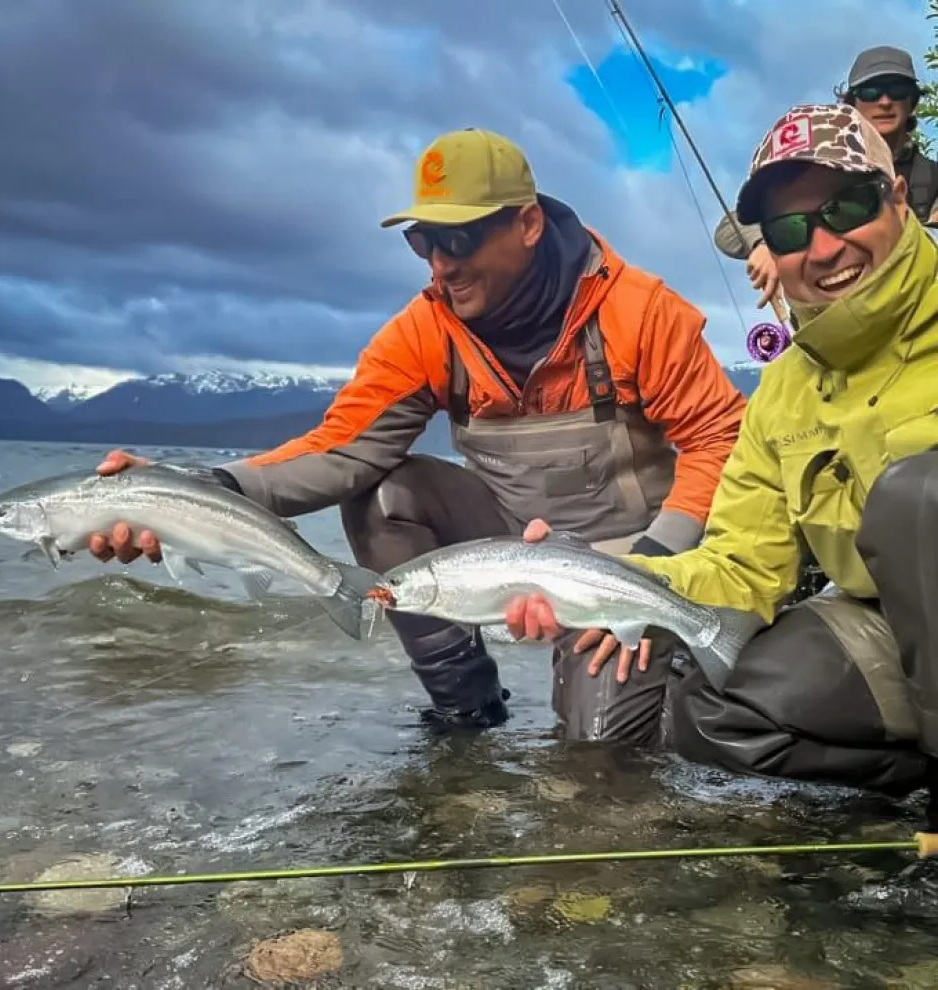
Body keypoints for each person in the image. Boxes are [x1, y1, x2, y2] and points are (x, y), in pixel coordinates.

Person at [84, 127, 746, 736]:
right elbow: (342, 446)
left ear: (527, 223)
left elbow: (719, 440)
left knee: (600, 752)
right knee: (382, 489)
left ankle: (677, 663)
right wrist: (196, 489)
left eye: (456, 240)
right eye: (421, 241)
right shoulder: (426, 330)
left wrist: (654, 569)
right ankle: (467, 709)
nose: (439, 265)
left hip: (634, 555)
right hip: (511, 542)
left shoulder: (639, 311)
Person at [505, 103, 938, 848]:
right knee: (711, 709)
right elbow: (741, 566)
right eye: (793, 230)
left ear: (898, 196)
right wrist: (593, 573)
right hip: (891, 633)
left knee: (918, 498)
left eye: (849, 207)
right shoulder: (780, 394)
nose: (826, 245)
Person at [715, 46, 938, 314]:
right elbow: (728, 228)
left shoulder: (932, 176)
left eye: (897, 89)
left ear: (912, 101)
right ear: (852, 101)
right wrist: (768, 242)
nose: (885, 101)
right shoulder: (817, 164)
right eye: (870, 92)